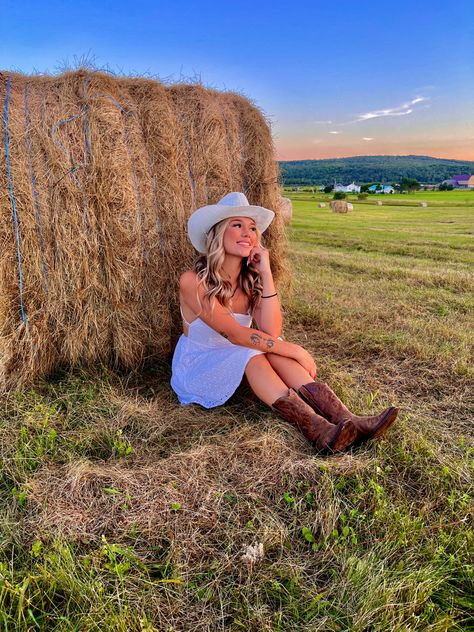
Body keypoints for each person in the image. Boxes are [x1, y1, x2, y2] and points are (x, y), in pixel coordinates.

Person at [171, 192, 398, 453]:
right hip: (199, 365)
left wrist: (265, 273)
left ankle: (349, 420)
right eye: (237, 225)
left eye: (253, 228)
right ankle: (318, 430)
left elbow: (271, 330)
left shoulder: (249, 282)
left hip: (235, 356)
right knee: (253, 351)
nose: (248, 233)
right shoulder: (192, 281)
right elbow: (235, 334)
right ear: (217, 233)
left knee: (267, 344)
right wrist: (295, 350)